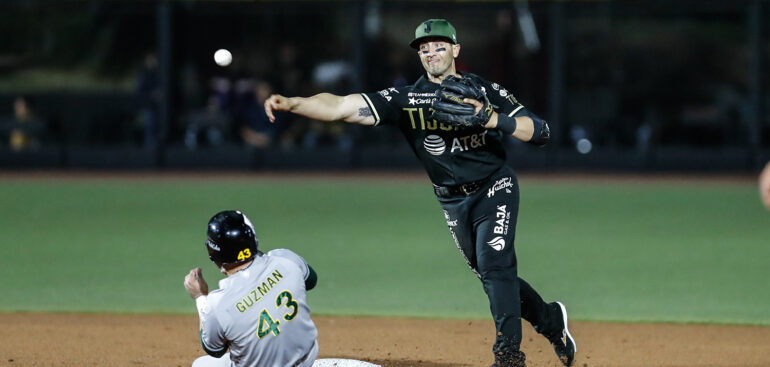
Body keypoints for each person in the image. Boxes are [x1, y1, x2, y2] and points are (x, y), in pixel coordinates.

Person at [264, 19, 576, 367]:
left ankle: (508, 355)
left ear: (456, 50)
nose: (431, 53)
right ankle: (550, 320)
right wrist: (293, 103)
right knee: (492, 277)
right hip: (452, 201)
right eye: (424, 49)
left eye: (439, 45)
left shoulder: (485, 92)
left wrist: (492, 119)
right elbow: (340, 106)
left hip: (495, 186)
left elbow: (541, 131)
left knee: (495, 265)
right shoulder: (407, 99)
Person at [184, 210, 379, 367]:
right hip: (306, 361)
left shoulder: (217, 303)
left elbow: (213, 349)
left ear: (214, 254)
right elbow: (311, 280)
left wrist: (200, 297)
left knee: (201, 364)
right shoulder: (285, 259)